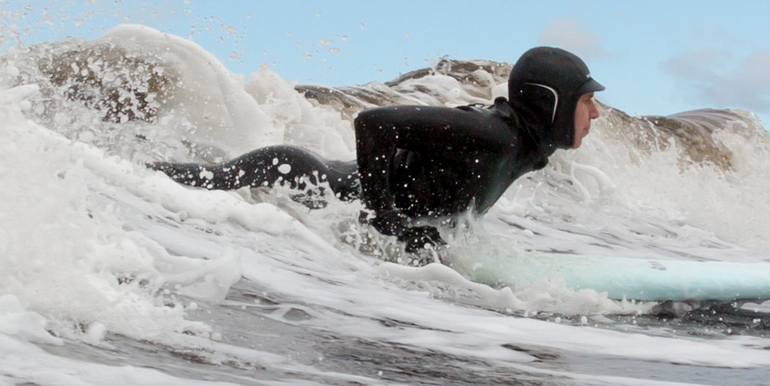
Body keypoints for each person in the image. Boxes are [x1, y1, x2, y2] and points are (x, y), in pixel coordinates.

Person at [152, 45, 605, 253]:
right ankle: (108, 167)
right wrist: (382, 216)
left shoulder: (523, 147)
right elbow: (373, 123)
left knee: (187, 184)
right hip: (296, 178)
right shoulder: (493, 134)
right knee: (182, 183)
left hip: (317, 191)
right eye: (587, 101)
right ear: (550, 102)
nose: (596, 113)